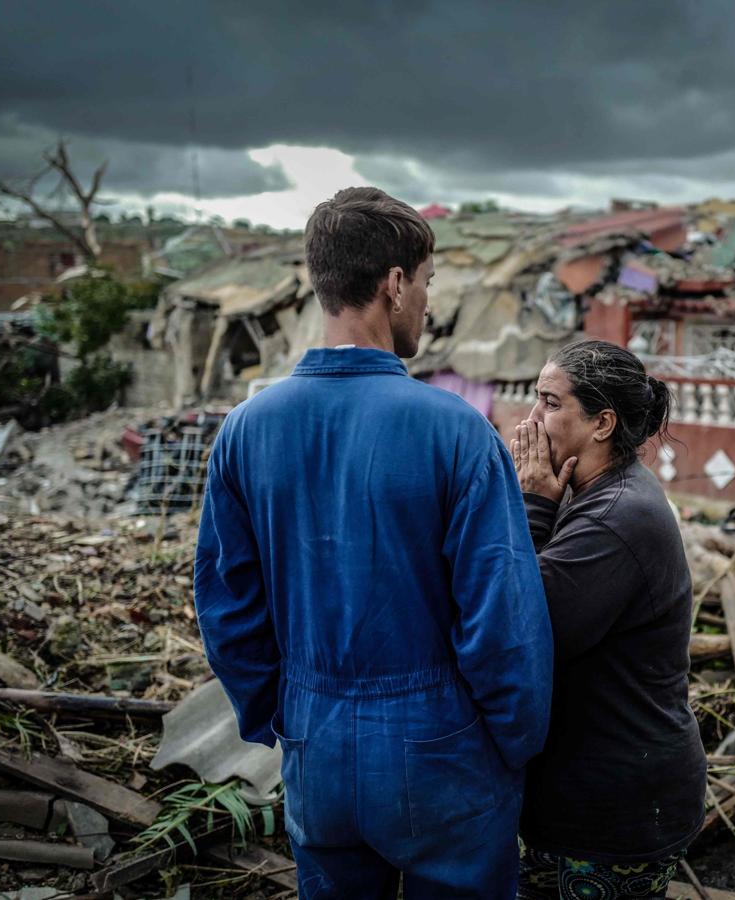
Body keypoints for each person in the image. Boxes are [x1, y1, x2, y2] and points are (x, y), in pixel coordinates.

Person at [194, 187, 552, 898]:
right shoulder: (456, 433)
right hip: (441, 751)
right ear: (394, 284)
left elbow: (227, 607)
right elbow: (503, 624)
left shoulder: (245, 430)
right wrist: (515, 746)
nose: (427, 303)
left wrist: (284, 714)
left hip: (314, 747)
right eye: (426, 284)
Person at [508, 339, 707, 899]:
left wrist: (533, 507)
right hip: (583, 794)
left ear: (602, 423)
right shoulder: (587, 494)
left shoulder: (619, 517)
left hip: (614, 808)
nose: (532, 419)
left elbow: (525, 627)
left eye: (550, 402)